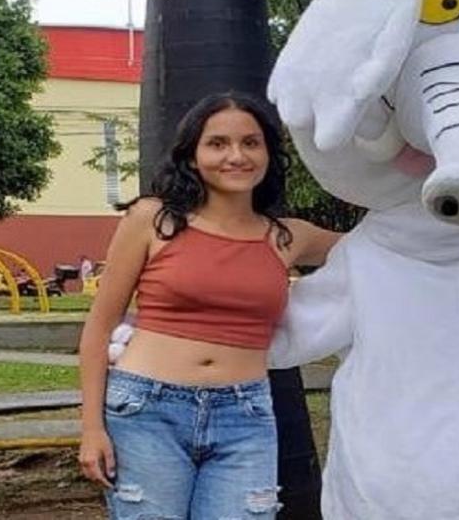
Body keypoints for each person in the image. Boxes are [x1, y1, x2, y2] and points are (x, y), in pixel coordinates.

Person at [77, 92, 341, 519]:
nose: (236, 156)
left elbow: (383, 246)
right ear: (192, 155)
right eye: (217, 143)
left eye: (251, 143)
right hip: (147, 410)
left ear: (269, 154)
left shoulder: (287, 237)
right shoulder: (153, 220)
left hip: (245, 414)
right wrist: (91, 429)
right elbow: (98, 329)